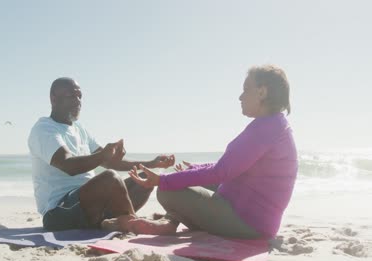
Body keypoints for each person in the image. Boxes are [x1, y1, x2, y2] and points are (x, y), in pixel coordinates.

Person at [128, 65, 298, 239]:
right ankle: (170, 222)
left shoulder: (265, 129)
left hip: (250, 224)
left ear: (262, 92)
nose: (240, 96)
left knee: (167, 190)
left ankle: (170, 222)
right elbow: (231, 166)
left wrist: (161, 180)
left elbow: (221, 172)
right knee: (180, 179)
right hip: (253, 215)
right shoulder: (274, 125)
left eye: (246, 90)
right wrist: (193, 168)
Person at [28, 77, 175, 232]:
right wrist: (104, 155)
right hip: (59, 211)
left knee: (142, 179)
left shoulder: (79, 129)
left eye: (80, 96)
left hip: (90, 205)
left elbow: (110, 162)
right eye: (71, 96)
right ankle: (133, 223)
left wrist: (152, 163)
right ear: (53, 99)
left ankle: (115, 221)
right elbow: (67, 165)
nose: (78, 101)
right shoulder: (44, 129)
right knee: (110, 178)